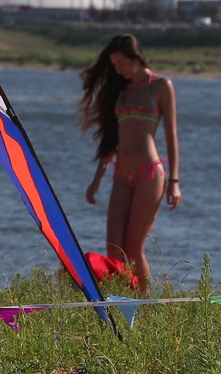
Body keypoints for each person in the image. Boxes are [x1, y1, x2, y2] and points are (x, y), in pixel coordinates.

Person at [79, 33, 181, 293]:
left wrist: (174, 181)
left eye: (122, 64)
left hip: (150, 173)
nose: (118, 70)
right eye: (114, 65)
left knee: (134, 247)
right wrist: (97, 180)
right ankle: (123, 301)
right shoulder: (120, 90)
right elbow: (112, 140)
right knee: (114, 248)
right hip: (121, 174)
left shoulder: (161, 86)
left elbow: (171, 135)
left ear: (136, 58)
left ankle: (144, 306)